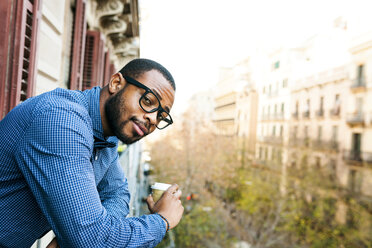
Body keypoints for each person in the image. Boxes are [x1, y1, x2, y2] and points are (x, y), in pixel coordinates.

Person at [0, 58, 184, 247]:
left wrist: (76, 236)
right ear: (116, 83)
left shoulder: (107, 138)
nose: (152, 119)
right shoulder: (62, 122)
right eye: (147, 100)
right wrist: (162, 221)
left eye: (161, 117)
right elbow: (93, 240)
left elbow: (118, 194)